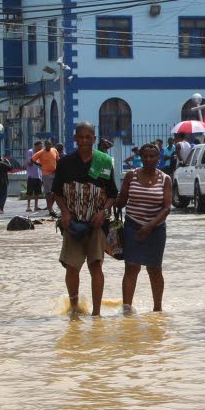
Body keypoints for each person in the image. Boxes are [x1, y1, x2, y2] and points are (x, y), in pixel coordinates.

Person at [53, 122, 118, 316]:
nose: (84, 141)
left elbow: (112, 194)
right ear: (75, 139)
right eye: (80, 137)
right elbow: (56, 193)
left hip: (97, 224)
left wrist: (103, 212)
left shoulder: (105, 161)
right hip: (72, 223)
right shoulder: (65, 163)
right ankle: (74, 307)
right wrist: (64, 212)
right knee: (72, 267)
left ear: (94, 139)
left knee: (95, 265)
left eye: (88, 137)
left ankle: (96, 313)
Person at [113, 142, 171, 312]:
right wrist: (108, 200)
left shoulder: (165, 179)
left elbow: (167, 208)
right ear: (140, 157)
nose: (148, 159)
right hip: (132, 227)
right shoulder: (132, 175)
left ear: (158, 158)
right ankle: (127, 308)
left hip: (156, 229)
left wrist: (150, 226)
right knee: (132, 267)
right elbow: (122, 201)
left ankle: (157, 309)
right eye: (145, 156)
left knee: (154, 269)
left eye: (152, 156)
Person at [32, 138, 60, 218]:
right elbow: (32, 159)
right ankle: (50, 209)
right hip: (46, 174)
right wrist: (40, 165)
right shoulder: (41, 152)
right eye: (47, 145)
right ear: (45, 145)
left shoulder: (54, 150)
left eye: (50, 145)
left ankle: (50, 207)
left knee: (55, 191)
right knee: (49, 193)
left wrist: (57, 168)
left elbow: (58, 160)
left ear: (51, 145)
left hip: (54, 173)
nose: (48, 146)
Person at [25, 141, 43, 212]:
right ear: (36, 146)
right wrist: (34, 160)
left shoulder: (40, 153)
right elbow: (29, 162)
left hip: (38, 175)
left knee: (37, 192)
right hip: (31, 175)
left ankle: (36, 206)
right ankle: (28, 206)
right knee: (30, 192)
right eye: (40, 147)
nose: (41, 148)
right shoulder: (30, 152)